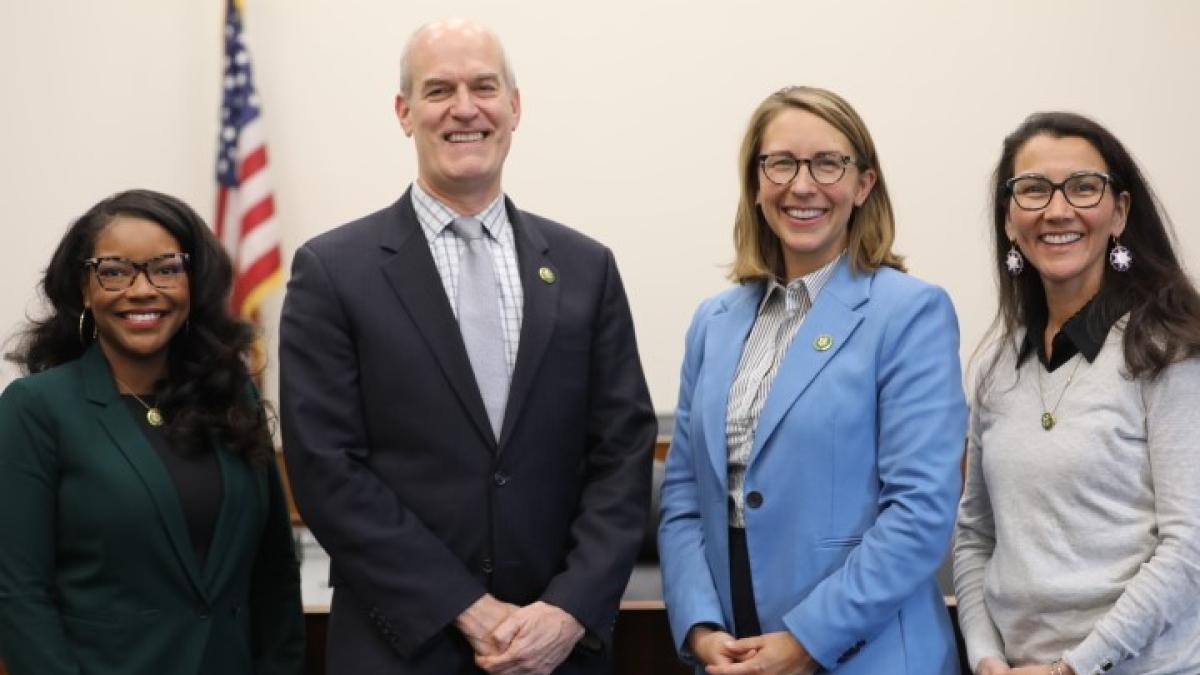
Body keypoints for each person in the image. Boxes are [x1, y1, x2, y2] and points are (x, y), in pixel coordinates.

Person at [278, 18, 656, 675]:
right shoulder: (334, 272)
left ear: (515, 106)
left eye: (484, 87)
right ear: (404, 112)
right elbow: (325, 469)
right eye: (438, 90)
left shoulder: (584, 267)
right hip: (403, 646)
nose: (464, 108)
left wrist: (567, 609)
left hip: (559, 650)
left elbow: (622, 452)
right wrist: (466, 606)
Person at [658, 85, 967, 675]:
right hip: (732, 654)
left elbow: (921, 512)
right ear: (756, 182)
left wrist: (805, 641)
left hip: (866, 655)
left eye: (828, 163)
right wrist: (699, 627)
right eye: (781, 163)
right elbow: (683, 502)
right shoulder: (712, 324)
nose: (803, 185)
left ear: (863, 184)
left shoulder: (910, 313)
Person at [0, 189, 304, 675]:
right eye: (115, 271)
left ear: (192, 282)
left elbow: (275, 574)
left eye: (166, 268)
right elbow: (17, 592)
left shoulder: (233, 401)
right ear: (84, 287)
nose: (142, 289)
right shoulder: (37, 410)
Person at [954, 112, 1200, 675]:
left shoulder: (1168, 352)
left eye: (1083, 188)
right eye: (1033, 190)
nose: (1058, 210)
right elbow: (974, 537)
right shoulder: (995, 366)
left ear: (1120, 213)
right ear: (1010, 220)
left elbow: (1190, 548)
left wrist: (1074, 668)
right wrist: (985, 656)